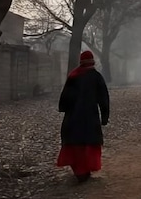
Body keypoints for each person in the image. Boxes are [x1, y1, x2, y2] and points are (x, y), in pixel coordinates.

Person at [56, 51, 110, 184]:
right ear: (92, 62)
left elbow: (64, 98)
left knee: (75, 145)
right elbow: (104, 99)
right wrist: (104, 116)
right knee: (88, 144)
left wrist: (63, 108)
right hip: (89, 117)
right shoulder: (97, 77)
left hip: (72, 118)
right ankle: (85, 171)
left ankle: (80, 172)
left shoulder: (73, 76)